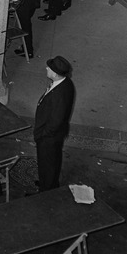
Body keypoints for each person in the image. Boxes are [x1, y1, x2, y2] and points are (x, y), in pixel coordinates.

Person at [34, 55, 76, 191]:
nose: (46, 68)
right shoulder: (65, 83)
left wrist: (41, 135)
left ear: (56, 74)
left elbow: (55, 122)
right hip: (54, 135)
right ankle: (46, 183)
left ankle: (46, 192)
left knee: (48, 164)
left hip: (49, 138)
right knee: (50, 163)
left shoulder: (60, 95)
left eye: (49, 67)